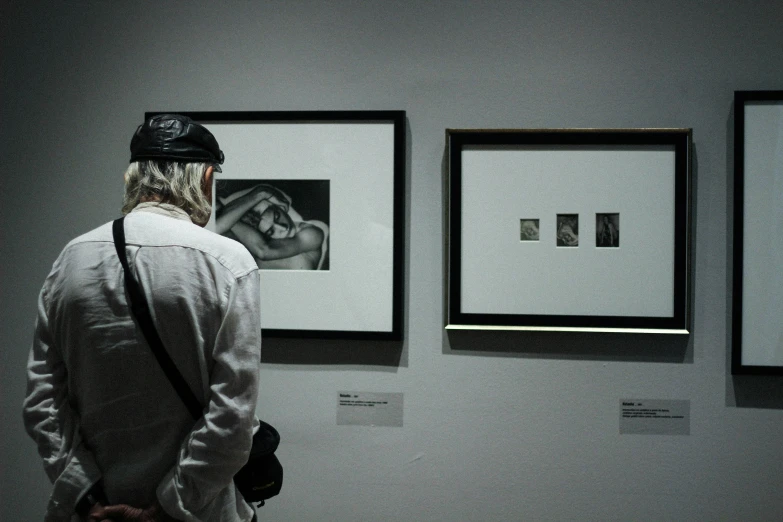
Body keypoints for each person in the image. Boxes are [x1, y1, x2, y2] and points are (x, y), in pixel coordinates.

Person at [22, 114, 263, 521]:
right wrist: (168, 504)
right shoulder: (226, 262)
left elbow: (43, 401)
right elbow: (233, 415)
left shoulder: (72, 258)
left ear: (130, 178)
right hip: (196, 511)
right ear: (205, 178)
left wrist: (85, 496)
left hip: (92, 510)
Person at [215, 184, 329, 270]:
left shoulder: (312, 233)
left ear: (281, 208)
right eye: (271, 231)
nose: (283, 228)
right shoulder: (252, 244)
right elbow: (216, 227)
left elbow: (264, 251)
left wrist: (261, 193)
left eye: (277, 217)